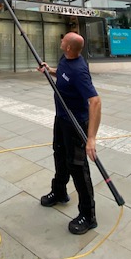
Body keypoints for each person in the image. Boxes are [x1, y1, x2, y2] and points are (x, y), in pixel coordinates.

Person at [37, 32, 101, 235]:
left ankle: (88, 216)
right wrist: (50, 71)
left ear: (68, 48)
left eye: (63, 40)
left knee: (78, 167)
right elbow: (64, 74)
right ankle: (59, 191)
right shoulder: (66, 59)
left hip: (76, 124)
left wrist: (91, 138)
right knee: (60, 155)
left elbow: (95, 101)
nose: (61, 40)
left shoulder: (80, 71)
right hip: (62, 119)